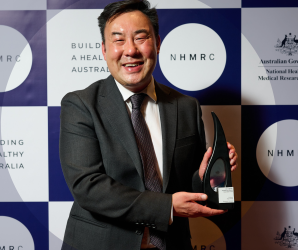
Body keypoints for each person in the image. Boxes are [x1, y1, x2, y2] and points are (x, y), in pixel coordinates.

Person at [59, 1, 237, 249]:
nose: (130, 50)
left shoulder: (186, 106)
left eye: (141, 38)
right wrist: (166, 208)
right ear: (103, 49)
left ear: (158, 43)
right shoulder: (80, 104)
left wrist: (206, 174)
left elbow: (187, 187)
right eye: (118, 40)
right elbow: (87, 186)